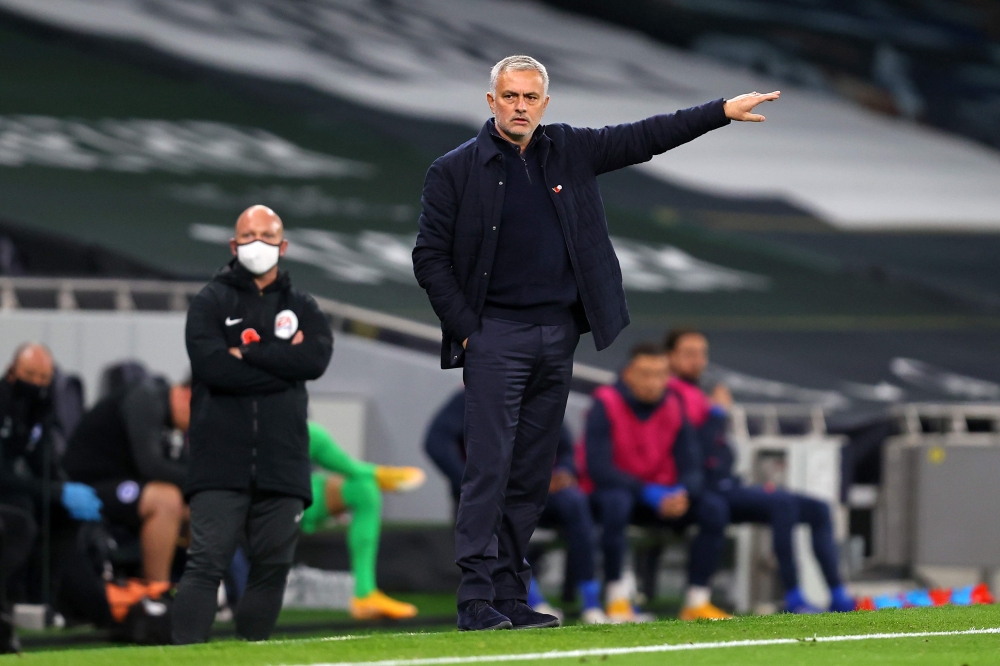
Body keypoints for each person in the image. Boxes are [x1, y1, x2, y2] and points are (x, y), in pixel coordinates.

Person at [412, 53, 777, 631]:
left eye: (531, 98)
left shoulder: (570, 150)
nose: (520, 106)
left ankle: (510, 597)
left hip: (557, 334)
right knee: (488, 468)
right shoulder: (454, 170)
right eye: (510, 96)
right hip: (495, 335)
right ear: (491, 101)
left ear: (545, 105)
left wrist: (720, 113)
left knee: (532, 472)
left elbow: (646, 137)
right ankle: (475, 600)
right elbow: (428, 257)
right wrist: (471, 332)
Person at [172, 205, 333, 644]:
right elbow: (212, 367)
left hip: (283, 462)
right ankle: (183, 656)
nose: (256, 243)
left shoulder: (304, 307)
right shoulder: (210, 301)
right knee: (206, 563)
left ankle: (252, 651)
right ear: (233, 244)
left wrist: (249, 353)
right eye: (247, 235)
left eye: (266, 235)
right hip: (219, 462)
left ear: (282, 246)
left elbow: (315, 361)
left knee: (272, 567)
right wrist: (285, 365)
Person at [664, 328, 854, 613]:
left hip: (729, 485)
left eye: (702, 354)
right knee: (783, 505)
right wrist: (717, 414)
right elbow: (693, 451)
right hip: (707, 491)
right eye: (688, 354)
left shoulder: (697, 395)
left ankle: (839, 595)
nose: (698, 361)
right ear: (670, 357)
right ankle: (793, 596)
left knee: (819, 509)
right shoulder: (672, 397)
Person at [423, 389, 609, 625]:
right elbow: (436, 443)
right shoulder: (471, 398)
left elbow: (565, 449)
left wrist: (563, 472)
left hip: (537, 491)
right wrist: (472, 483)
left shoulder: (537, 396)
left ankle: (591, 602)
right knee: (501, 514)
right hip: (491, 496)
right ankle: (528, 600)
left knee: (576, 502)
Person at [578, 342, 732, 622]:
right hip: (620, 494)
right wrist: (647, 492)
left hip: (665, 499)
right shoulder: (605, 402)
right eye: (645, 374)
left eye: (660, 374)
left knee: (714, 508)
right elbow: (598, 468)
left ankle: (697, 600)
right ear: (628, 374)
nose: (653, 382)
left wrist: (683, 492)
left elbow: (692, 463)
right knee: (616, 504)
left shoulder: (674, 404)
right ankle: (617, 597)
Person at [63, 376, 192, 584]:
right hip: (87, 487)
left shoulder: (171, 422)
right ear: (188, 396)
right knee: (167, 501)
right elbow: (150, 466)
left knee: (204, 505)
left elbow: (182, 470)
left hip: (122, 485)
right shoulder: (146, 399)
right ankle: (157, 593)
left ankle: (203, 590)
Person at [301, 421, 425, 620]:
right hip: (250, 500)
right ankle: (378, 473)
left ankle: (365, 594)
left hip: (291, 495)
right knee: (308, 433)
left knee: (364, 489)